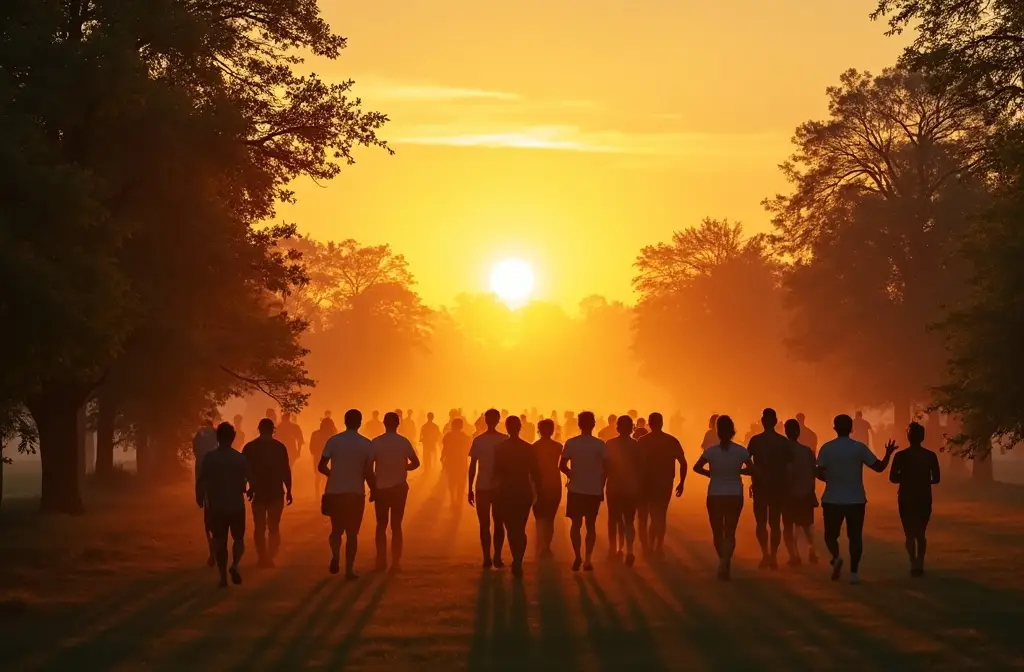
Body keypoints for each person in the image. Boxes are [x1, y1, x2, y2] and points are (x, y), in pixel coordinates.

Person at [816, 414, 897, 584]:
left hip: (832, 498)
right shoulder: (859, 447)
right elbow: (879, 467)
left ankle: (836, 557)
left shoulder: (827, 448)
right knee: (855, 537)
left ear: (835, 428)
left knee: (830, 536)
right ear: (851, 428)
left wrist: (830, 478)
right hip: (856, 499)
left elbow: (819, 472)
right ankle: (854, 573)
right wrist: (888, 454)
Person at [693, 415, 753, 581]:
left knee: (717, 531)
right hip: (734, 494)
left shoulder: (711, 451)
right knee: (730, 532)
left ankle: (722, 560)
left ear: (718, 432)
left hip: (715, 494)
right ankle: (725, 562)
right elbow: (753, 469)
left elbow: (696, 467)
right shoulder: (741, 451)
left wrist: (711, 474)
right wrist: (739, 471)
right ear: (733, 431)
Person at [318, 409, 376, 580]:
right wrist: (373, 489)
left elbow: (321, 466)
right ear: (359, 423)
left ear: (344, 422)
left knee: (336, 530)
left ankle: (335, 555)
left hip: (335, 491)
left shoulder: (334, 441)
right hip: (355, 493)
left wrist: (333, 474)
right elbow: (368, 472)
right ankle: (349, 569)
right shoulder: (367, 444)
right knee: (352, 533)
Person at [195, 422, 250, 587]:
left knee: (219, 541)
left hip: (216, 506)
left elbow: (202, 480)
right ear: (233, 438)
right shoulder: (240, 458)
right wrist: (249, 489)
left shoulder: (210, 458)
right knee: (239, 539)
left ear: (217, 438)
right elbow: (249, 479)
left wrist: (199, 496)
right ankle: (235, 565)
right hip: (236, 505)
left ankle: (223, 577)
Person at [889, 422, 941, 577]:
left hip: (905, 496)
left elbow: (892, 478)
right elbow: (936, 479)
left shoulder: (900, 456)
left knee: (909, 533)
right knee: (921, 532)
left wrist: (906, 478)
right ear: (923, 437)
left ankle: (913, 562)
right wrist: (923, 481)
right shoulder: (930, 456)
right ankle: (920, 562)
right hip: (924, 496)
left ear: (908, 437)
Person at [494, 416, 543, 577]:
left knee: (510, 528)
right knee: (520, 528)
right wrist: (539, 492)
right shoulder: (528, 448)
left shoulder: (501, 448)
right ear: (520, 427)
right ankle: (518, 560)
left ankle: (516, 558)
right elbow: (536, 473)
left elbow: (497, 472)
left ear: (507, 428)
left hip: (507, 491)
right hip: (523, 491)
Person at [371, 412, 420, 572]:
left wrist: (373, 486)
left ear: (384, 424)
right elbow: (416, 463)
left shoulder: (376, 442)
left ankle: (381, 560)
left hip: (381, 487)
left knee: (381, 524)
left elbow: (368, 467)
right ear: (398, 424)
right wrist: (402, 467)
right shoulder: (403, 442)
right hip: (399, 487)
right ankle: (396, 562)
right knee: (396, 525)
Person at [559, 411, 608, 572]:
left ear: (579, 425)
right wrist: (601, 484)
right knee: (591, 525)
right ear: (593, 424)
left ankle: (577, 556)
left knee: (576, 524)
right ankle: (587, 558)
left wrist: (570, 474)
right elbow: (607, 468)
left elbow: (562, 465)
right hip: (593, 489)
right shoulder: (600, 444)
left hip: (576, 489)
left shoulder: (571, 443)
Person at [746, 408, 794, 569]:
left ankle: (765, 554)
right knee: (774, 523)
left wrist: (754, 472)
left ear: (762, 422)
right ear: (775, 423)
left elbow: (747, 461)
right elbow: (790, 466)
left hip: (761, 485)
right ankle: (773, 556)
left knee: (761, 522)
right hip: (778, 486)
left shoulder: (755, 441)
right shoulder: (783, 442)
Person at [242, 418, 293, 568]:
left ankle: (262, 556)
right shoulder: (279, 447)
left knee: (259, 527)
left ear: (259, 429)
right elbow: (286, 470)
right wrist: (289, 490)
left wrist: (247, 487)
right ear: (273, 430)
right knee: (274, 527)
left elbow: (244, 470)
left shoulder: (250, 447)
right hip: (276, 492)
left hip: (258, 492)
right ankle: (270, 556)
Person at [638, 413, 686, 556]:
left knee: (645, 516)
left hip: (646, 483)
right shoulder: (671, 441)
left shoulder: (643, 441)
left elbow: (634, 463)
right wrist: (681, 482)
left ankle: (647, 546)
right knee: (659, 515)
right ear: (662, 423)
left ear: (650, 424)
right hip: (664, 483)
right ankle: (658, 545)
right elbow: (683, 462)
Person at [468, 409, 507, 569]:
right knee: (498, 523)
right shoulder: (504, 440)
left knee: (484, 524)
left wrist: (469, 488)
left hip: (482, 486)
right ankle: (496, 556)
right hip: (498, 487)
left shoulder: (479, 440)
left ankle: (487, 557)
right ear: (498, 420)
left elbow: (472, 467)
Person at [605, 415, 645, 567]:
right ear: (631, 428)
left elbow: (605, 466)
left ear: (618, 428)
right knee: (629, 520)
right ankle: (629, 550)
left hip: (614, 486)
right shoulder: (636, 445)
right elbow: (641, 468)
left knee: (613, 519)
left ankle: (613, 548)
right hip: (630, 487)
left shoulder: (610, 444)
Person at [782, 419, 819, 566]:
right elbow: (813, 472)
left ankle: (794, 555)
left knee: (788, 526)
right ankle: (811, 551)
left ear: (786, 432)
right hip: (806, 492)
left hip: (789, 494)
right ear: (798, 432)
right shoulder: (807, 451)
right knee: (807, 525)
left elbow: (787, 473)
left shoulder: (783, 451)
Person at [531, 418, 563, 557]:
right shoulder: (558, 446)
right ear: (552, 431)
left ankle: (541, 542)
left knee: (539, 517)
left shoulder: (534, 447)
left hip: (537, 484)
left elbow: (531, 468)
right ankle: (546, 545)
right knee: (550, 517)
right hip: (554, 484)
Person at [192, 417, 220, 567]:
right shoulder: (216, 433)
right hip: (219, 485)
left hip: (205, 479)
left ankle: (212, 551)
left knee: (208, 521)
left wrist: (199, 493)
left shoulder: (199, 434)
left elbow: (195, 451)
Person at [441, 418, 471, 506]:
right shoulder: (465, 437)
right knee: (461, 483)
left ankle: (453, 499)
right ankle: (459, 500)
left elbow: (444, 449)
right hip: (462, 462)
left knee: (452, 481)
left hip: (451, 462)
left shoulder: (448, 436)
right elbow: (469, 450)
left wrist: (442, 457)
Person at [309, 416, 336, 495]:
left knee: (318, 475)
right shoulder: (334, 435)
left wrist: (315, 453)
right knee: (325, 476)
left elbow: (311, 447)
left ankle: (318, 493)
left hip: (319, 456)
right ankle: (322, 492)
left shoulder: (316, 434)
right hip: (328, 457)